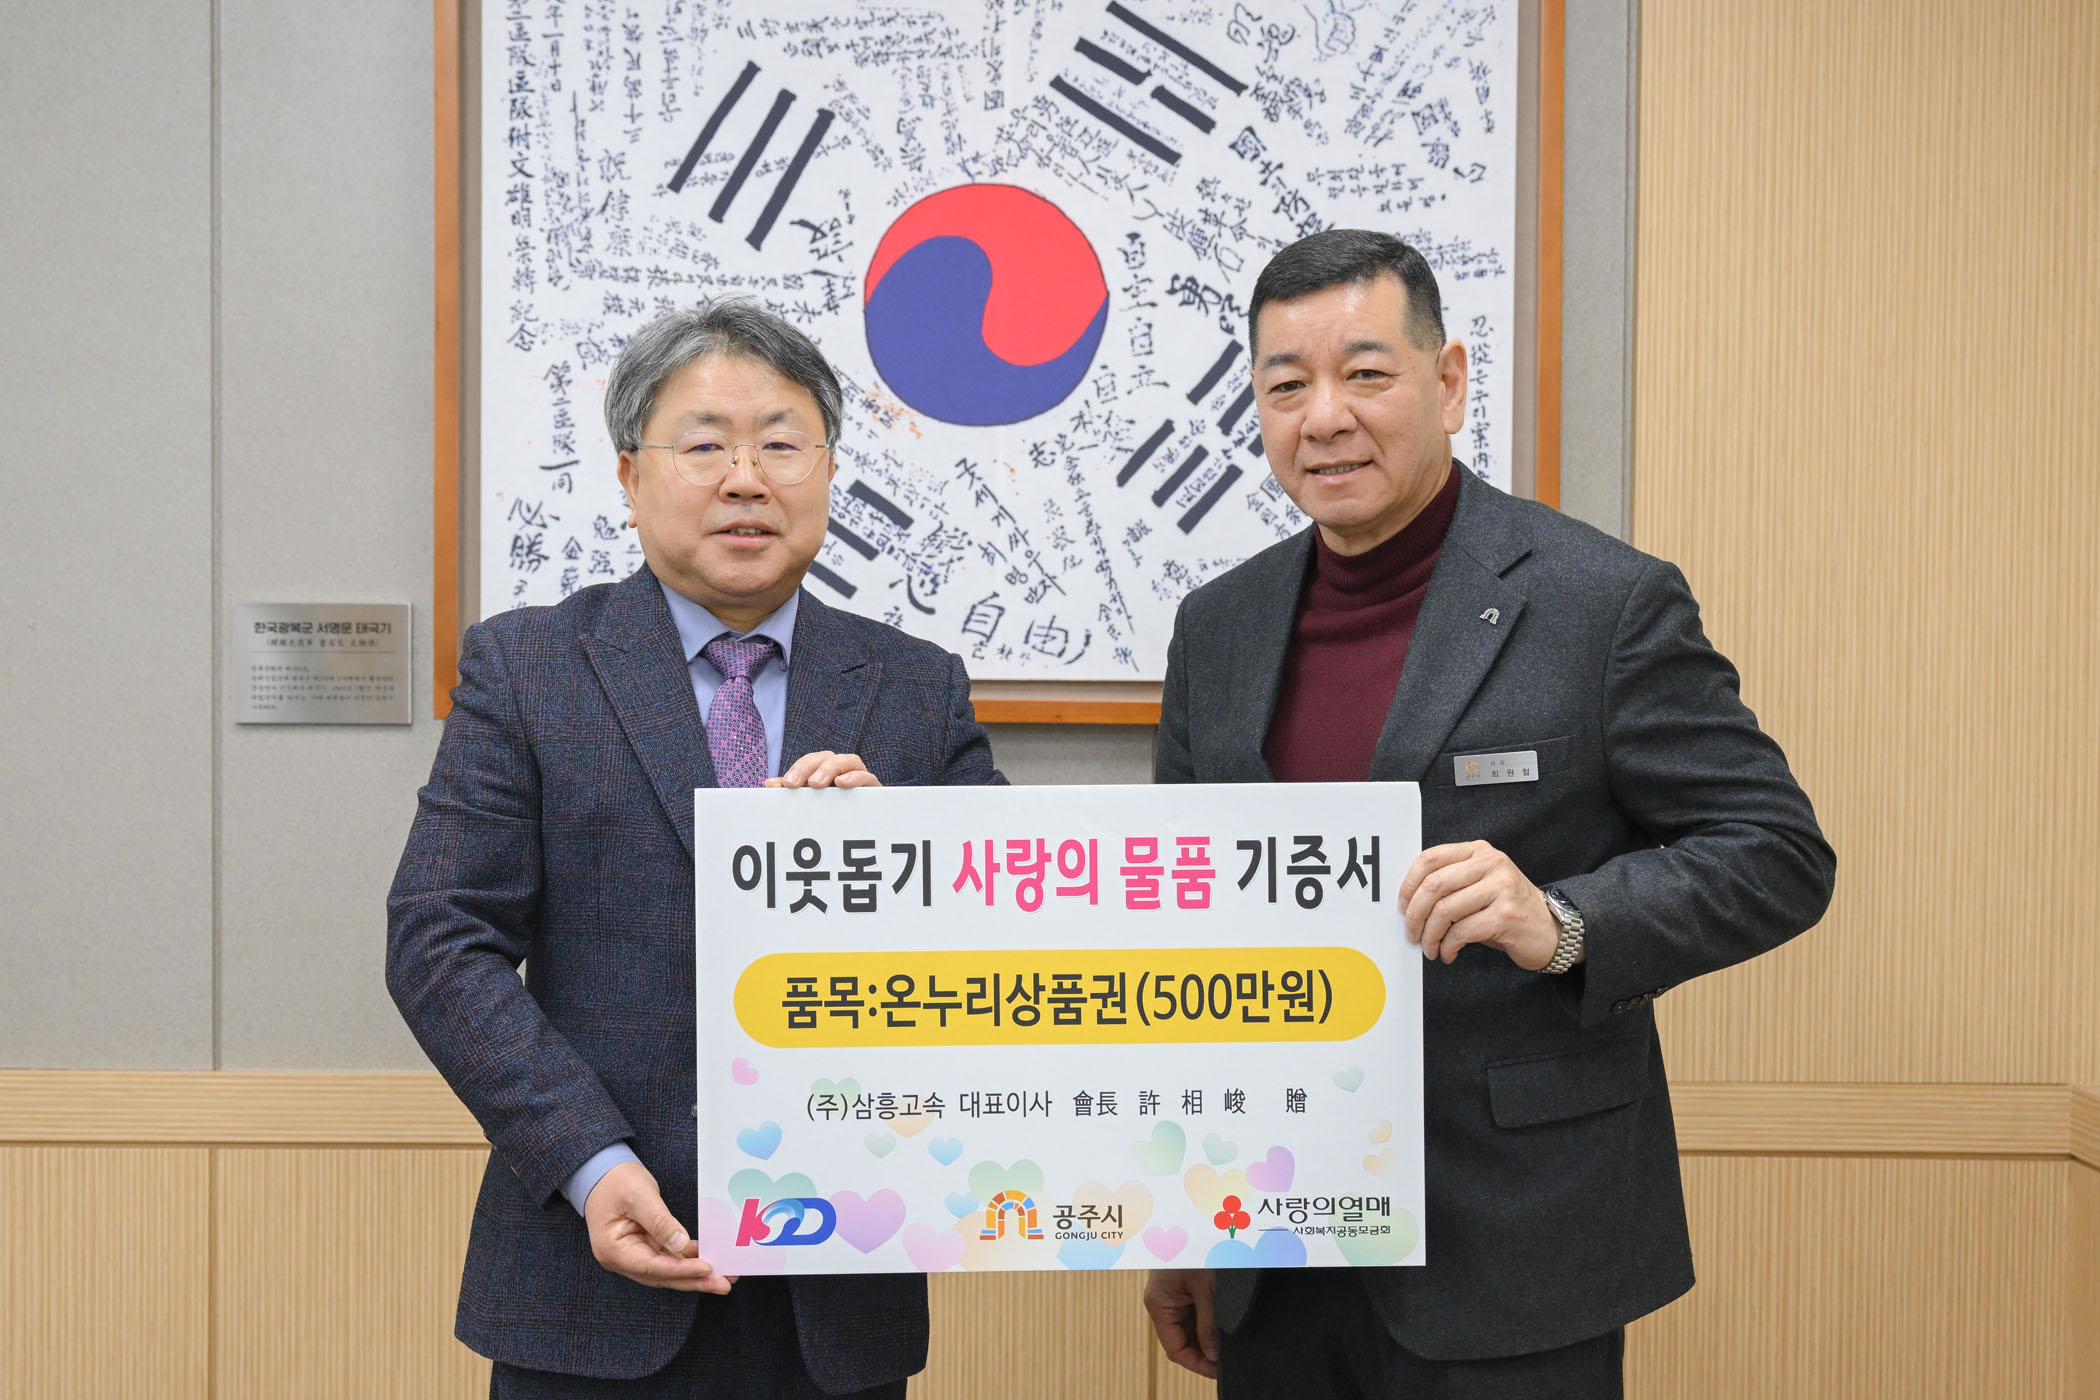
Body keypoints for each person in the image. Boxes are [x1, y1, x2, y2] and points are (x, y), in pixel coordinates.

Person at [1141, 230, 1835, 1398]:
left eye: (1366, 373)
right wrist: (1185, 1219)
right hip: (1278, 1239)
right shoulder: (1219, 627)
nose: (1325, 417)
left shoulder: (1600, 602)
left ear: (1451, 380)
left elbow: (1777, 852)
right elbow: (1184, 927)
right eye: (1286, 385)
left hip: (1515, 1242)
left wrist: (1560, 920)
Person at [388, 299, 1003, 1398]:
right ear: (631, 476)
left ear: (828, 470)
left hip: (838, 1285)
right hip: (590, 1272)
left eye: (782, 444)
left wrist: (901, 858)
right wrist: (587, 1161)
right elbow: (440, 938)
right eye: (705, 445)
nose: (746, 480)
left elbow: (1010, 937)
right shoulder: (529, 668)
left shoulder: (916, 686)